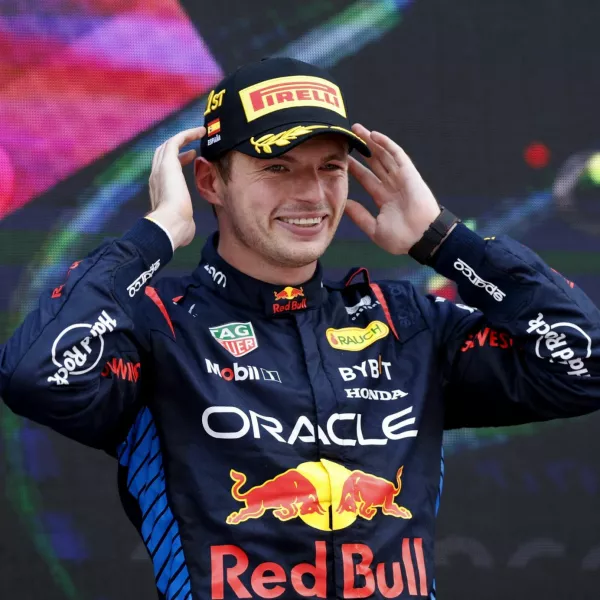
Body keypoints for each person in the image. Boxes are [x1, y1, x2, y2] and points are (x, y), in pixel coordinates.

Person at [1, 56, 599, 600]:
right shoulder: (156, 326)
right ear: (210, 182)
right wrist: (151, 239)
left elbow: (585, 366)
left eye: (330, 167)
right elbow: (34, 375)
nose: (311, 193)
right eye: (278, 167)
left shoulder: (408, 324)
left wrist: (446, 240)